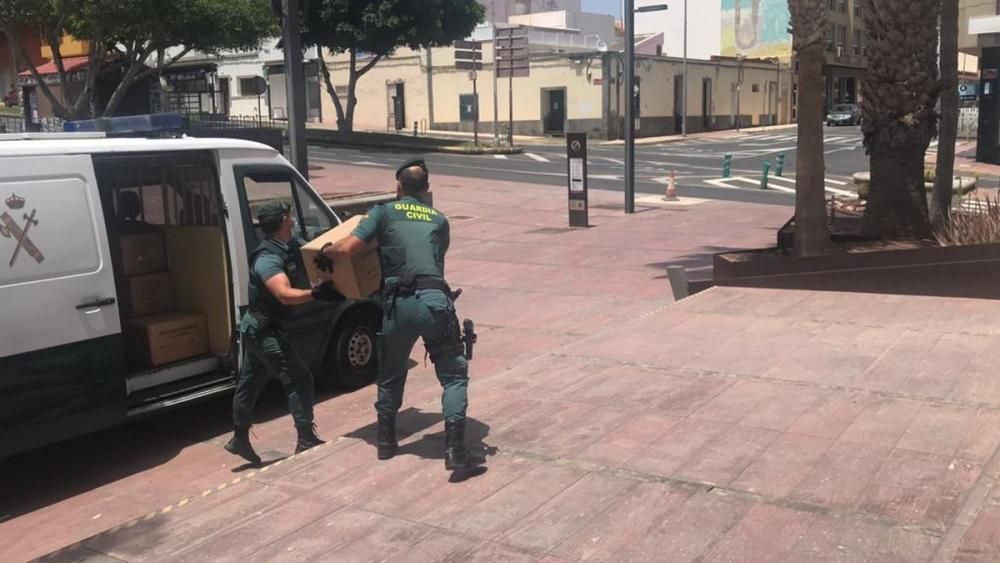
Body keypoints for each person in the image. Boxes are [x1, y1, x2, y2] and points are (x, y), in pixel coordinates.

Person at [316, 158, 471, 471]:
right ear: (427, 189)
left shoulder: (383, 213)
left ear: (398, 187)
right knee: (454, 377)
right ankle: (454, 450)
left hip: (397, 306)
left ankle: (386, 443)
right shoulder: (439, 220)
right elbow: (433, 256)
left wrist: (324, 253)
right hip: (434, 302)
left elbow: (348, 249)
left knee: (390, 372)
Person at [224, 200, 344, 465]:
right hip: (264, 330)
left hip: (258, 327)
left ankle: (239, 438)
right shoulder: (267, 258)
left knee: (251, 381)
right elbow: (283, 294)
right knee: (300, 378)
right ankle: (305, 439)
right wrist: (315, 293)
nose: (293, 218)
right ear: (282, 221)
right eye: (289, 215)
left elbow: (309, 250)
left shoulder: (288, 244)